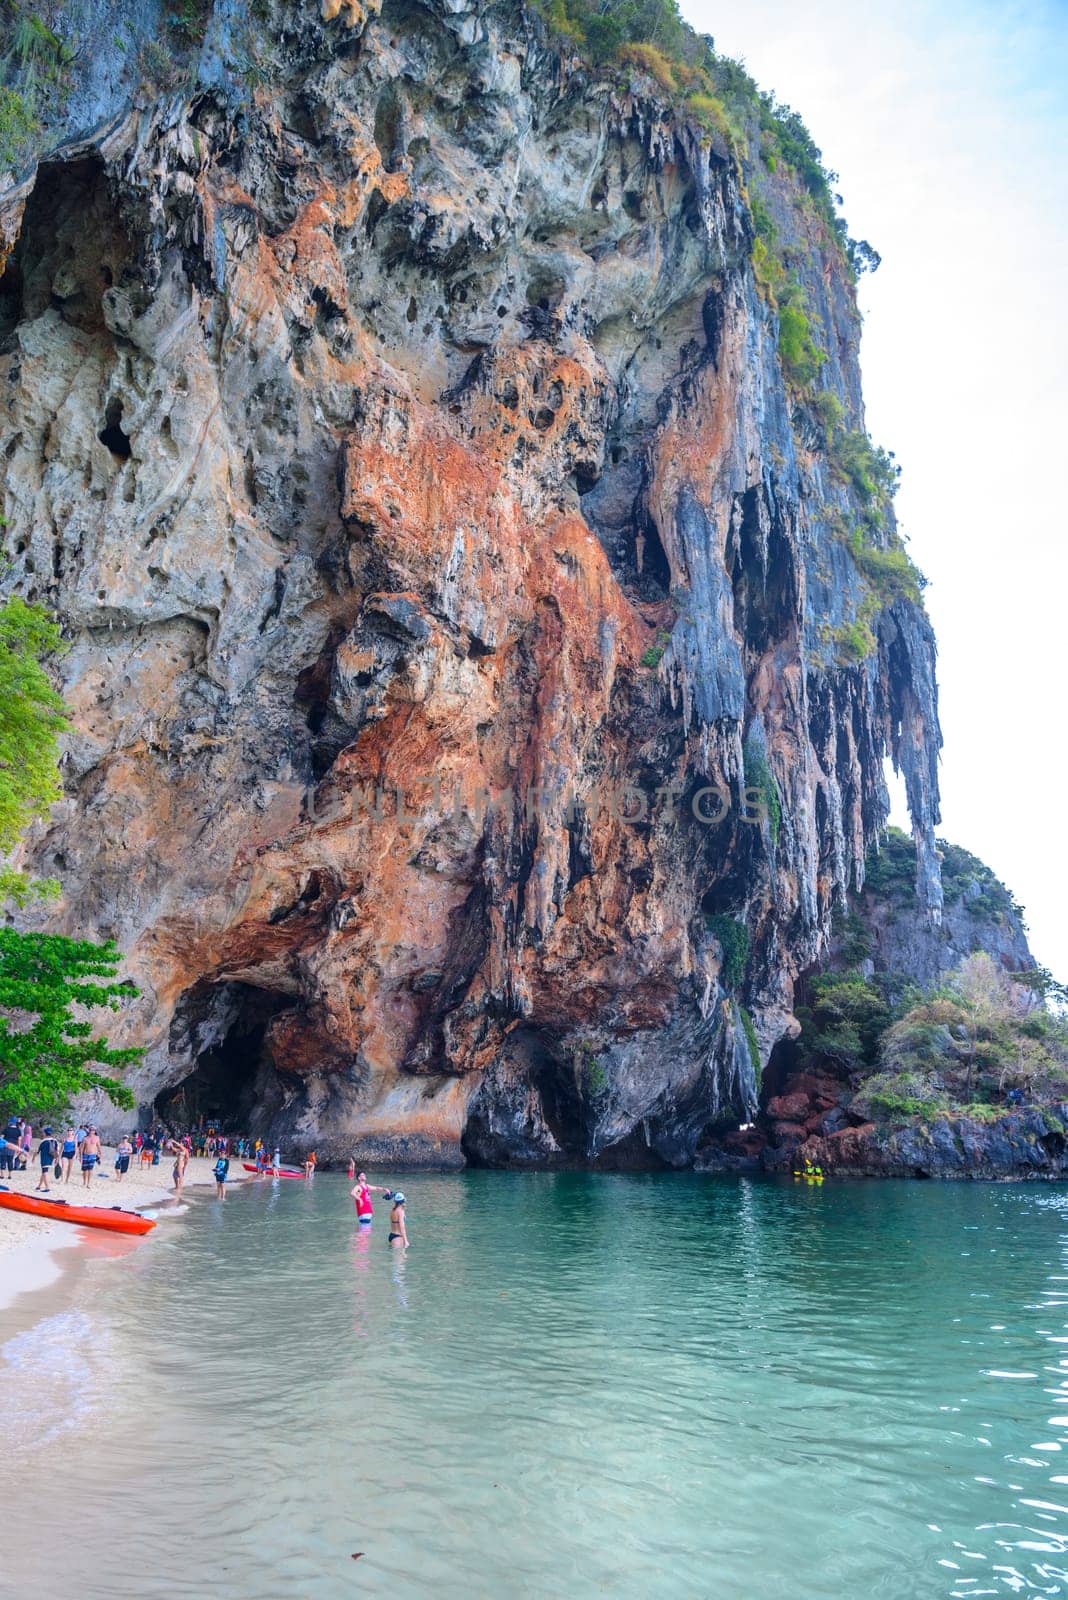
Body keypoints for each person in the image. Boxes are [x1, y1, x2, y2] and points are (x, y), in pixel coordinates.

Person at [35, 1126, 58, 1193]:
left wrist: (33, 1158)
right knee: (44, 1172)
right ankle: (39, 1186)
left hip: (44, 1158)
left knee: (45, 1172)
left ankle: (47, 1188)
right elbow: (57, 1151)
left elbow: (37, 1151)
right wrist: (57, 1159)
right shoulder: (55, 1141)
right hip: (51, 1158)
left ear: (45, 1133)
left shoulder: (43, 1141)